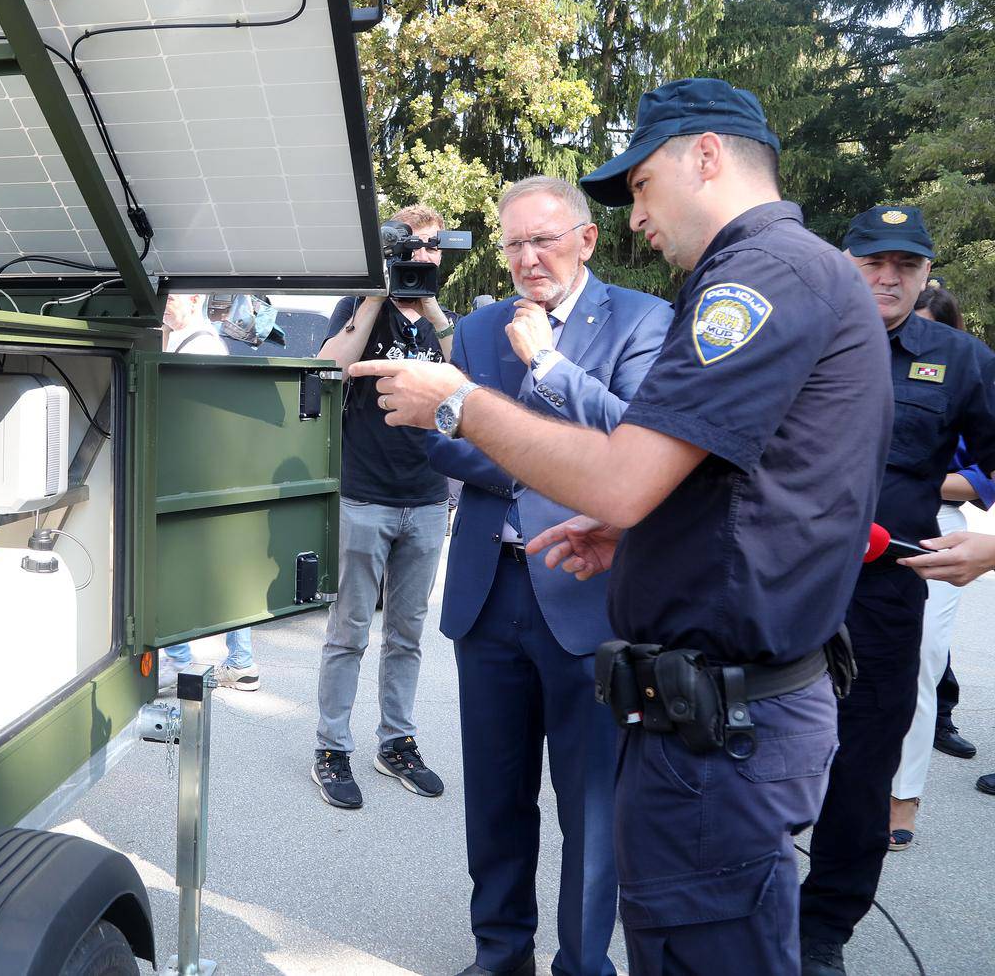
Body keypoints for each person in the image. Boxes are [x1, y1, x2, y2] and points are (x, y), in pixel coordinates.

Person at [348, 78, 892, 975]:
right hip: (705, 697)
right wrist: (625, 526)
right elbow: (726, 476)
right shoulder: (785, 272)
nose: (639, 215)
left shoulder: (757, 277)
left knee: (690, 930)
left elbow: (626, 466)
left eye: (640, 185)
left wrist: (465, 405)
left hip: (726, 719)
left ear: (706, 155)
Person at [429, 176, 669, 976]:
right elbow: (444, 442)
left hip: (586, 594)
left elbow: (636, 444)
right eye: (514, 243)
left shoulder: (641, 319)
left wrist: (547, 370)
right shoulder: (476, 328)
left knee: (593, 810)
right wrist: (564, 463)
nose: (528, 258)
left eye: (545, 239)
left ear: (586, 239)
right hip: (488, 591)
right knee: (495, 801)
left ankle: (581, 963)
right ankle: (500, 953)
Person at [798, 206, 995, 974]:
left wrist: (991, 545)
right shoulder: (792, 337)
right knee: (747, 743)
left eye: (905, 265)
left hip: (882, 594)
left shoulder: (960, 357)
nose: (887, 276)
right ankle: (747, 902)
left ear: (924, 272)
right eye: (873, 260)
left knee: (859, 767)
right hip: (773, 582)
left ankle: (823, 933)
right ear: (844, 262)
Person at [311, 203, 456, 809]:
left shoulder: (438, 322)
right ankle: (331, 748)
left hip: (425, 498)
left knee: (408, 633)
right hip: (364, 494)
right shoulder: (359, 311)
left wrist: (431, 306)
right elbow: (327, 367)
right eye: (411, 244)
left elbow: (467, 382)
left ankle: (396, 742)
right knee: (348, 631)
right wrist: (374, 294)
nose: (422, 254)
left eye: (432, 245)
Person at [888, 285, 992, 848]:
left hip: (940, 524)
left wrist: (922, 477)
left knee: (922, 663)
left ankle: (904, 796)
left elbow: (983, 474)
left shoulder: (965, 367)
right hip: (861, 524)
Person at [158, 294, 258, 691]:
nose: (165, 304)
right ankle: (240, 662)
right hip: (208, 477)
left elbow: (200, 419)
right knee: (224, 570)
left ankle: (181, 660)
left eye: (172, 298)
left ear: (196, 299)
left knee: (170, 567)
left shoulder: (199, 346)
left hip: (194, 478)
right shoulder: (193, 340)